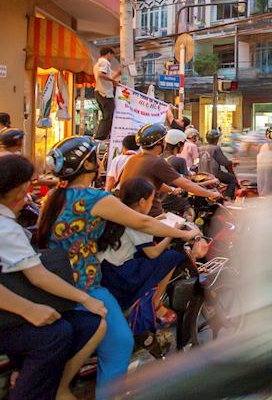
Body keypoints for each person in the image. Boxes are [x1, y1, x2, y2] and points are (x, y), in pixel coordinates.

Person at [37, 136, 200, 394]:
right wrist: (184, 234)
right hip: (86, 285)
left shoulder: (55, 197)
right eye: (95, 157)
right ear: (88, 165)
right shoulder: (93, 198)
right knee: (120, 344)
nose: (100, 162)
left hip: (58, 281)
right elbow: (143, 223)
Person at [0, 155, 107, 400]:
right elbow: (39, 277)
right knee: (59, 333)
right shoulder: (1, 225)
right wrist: (84, 299)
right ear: (22, 190)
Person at [98, 178, 187, 327]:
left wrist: (157, 219)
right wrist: (173, 234)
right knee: (172, 257)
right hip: (121, 276)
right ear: (141, 202)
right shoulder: (139, 221)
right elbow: (152, 253)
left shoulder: (118, 211)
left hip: (105, 270)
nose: (152, 204)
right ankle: (156, 303)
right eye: (151, 201)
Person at [118, 123, 221, 217]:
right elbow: (186, 184)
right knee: (193, 234)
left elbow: (151, 182)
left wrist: (172, 190)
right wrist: (212, 194)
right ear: (159, 143)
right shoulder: (156, 161)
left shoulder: (134, 159)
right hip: (152, 215)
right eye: (163, 140)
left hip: (131, 213)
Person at [198, 129, 238, 199]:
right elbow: (224, 162)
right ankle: (227, 197)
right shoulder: (216, 148)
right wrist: (232, 162)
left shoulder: (201, 148)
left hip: (201, 174)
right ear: (216, 139)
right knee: (232, 179)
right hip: (214, 174)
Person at [93, 47, 121, 141]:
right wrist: (113, 80)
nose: (111, 58)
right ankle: (101, 137)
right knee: (108, 115)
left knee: (107, 115)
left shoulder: (98, 63)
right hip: (105, 93)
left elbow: (106, 76)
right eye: (112, 56)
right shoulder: (105, 62)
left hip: (101, 92)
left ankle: (103, 136)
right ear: (109, 54)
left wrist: (117, 75)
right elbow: (101, 74)